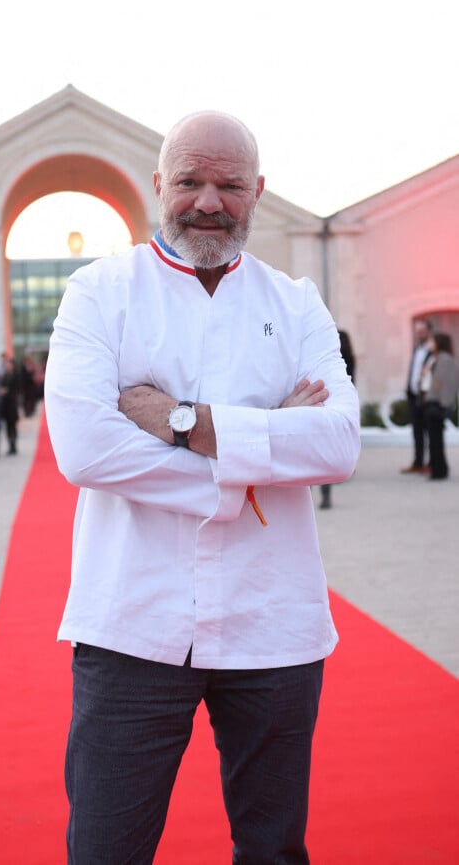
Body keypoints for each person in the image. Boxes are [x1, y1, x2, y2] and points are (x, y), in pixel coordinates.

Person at [45, 110, 360, 865]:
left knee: (274, 849)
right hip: (133, 623)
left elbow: (339, 442)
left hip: (273, 623)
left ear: (259, 190)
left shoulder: (296, 304)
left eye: (229, 184)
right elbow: (85, 447)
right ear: (159, 184)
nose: (209, 202)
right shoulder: (99, 293)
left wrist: (180, 420)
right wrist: (262, 442)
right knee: (105, 848)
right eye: (189, 181)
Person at [319, 329, 356, 509]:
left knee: (319, 451)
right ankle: (326, 493)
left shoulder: (333, 361)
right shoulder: (345, 360)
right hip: (333, 405)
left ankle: (321, 493)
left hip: (325, 404)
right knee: (327, 450)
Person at [422, 332, 459, 480]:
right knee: (434, 440)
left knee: (436, 441)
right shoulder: (435, 359)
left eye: (432, 342)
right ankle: (437, 468)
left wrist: (444, 406)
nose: (430, 344)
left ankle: (439, 470)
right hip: (431, 403)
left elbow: (448, 384)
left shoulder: (446, 360)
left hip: (437, 405)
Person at [401, 318, 433, 474]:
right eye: (417, 332)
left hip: (427, 398)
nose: (418, 334)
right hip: (414, 396)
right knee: (417, 431)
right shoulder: (416, 349)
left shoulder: (433, 350)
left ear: (428, 332)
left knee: (430, 431)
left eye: (421, 331)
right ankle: (418, 462)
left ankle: (431, 463)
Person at [0, 356, 20, 454]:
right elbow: (1, 386)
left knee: (13, 426)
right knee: (7, 426)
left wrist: (7, 391)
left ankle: (14, 444)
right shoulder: (5, 375)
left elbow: (17, 388)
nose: (7, 366)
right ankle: (10, 445)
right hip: (5, 404)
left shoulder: (16, 376)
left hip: (12, 404)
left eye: (9, 365)